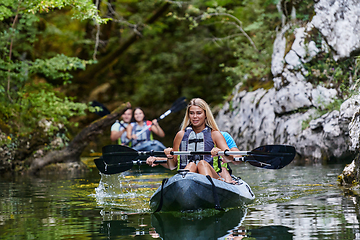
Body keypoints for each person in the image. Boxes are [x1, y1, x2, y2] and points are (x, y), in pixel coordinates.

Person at [146, 98, 235, 182]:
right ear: (188, 115)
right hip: (189, 179)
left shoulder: (215, 134)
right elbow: (172, 166)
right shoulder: (181, 135)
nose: (195, 116)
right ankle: (186, 190)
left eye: (199, 113)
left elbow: (230, 158)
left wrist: (221, 152)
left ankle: (206, 189)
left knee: (202, 164)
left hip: (213, 178)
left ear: (205, 115)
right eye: (192, 113)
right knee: (191, 165)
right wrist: (169, 156)